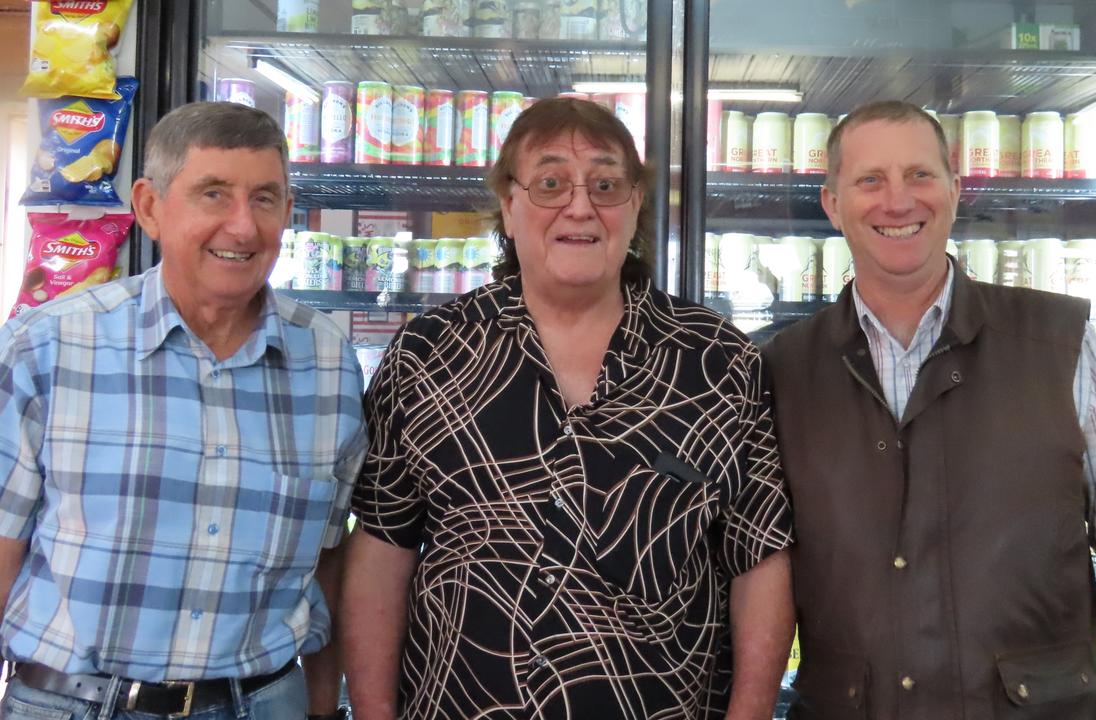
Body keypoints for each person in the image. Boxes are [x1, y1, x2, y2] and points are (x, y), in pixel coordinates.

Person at [341, 97, 795, 720]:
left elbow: (758, 560)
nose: (580, 206)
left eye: (606, 185)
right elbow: (380, 552)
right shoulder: (429, 353)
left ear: (636, 205)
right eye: (550, 182)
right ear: (508, 204)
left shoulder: (717, 361)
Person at [763, 100, 1096, 720]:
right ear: (832, 205)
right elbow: (761, 574)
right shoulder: (780, 370)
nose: (897, 201)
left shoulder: (1059, 343)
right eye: (869, 180)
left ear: (955, 191)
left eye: (919, 175)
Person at [0, 102, 365, 720]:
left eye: (265, 199)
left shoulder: (329, 362)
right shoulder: (50, 344)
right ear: (148, 208)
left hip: (265, 702)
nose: (243, 227)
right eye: (214, 194)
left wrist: (325, 707)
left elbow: (328, 563)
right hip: (70, 703)